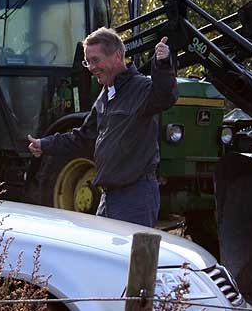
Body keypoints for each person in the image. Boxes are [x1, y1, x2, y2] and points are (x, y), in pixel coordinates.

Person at [28, 27, 178, 227]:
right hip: (107, 198)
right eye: (87, 61)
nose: (90, 67)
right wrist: (44, 144)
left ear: (117, 56)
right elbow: (82, 137)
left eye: (95, 60)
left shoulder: (141, 89)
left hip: (135, 198)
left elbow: (166, 95)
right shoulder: (105, 96)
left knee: (130, 258)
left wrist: (163, 64)